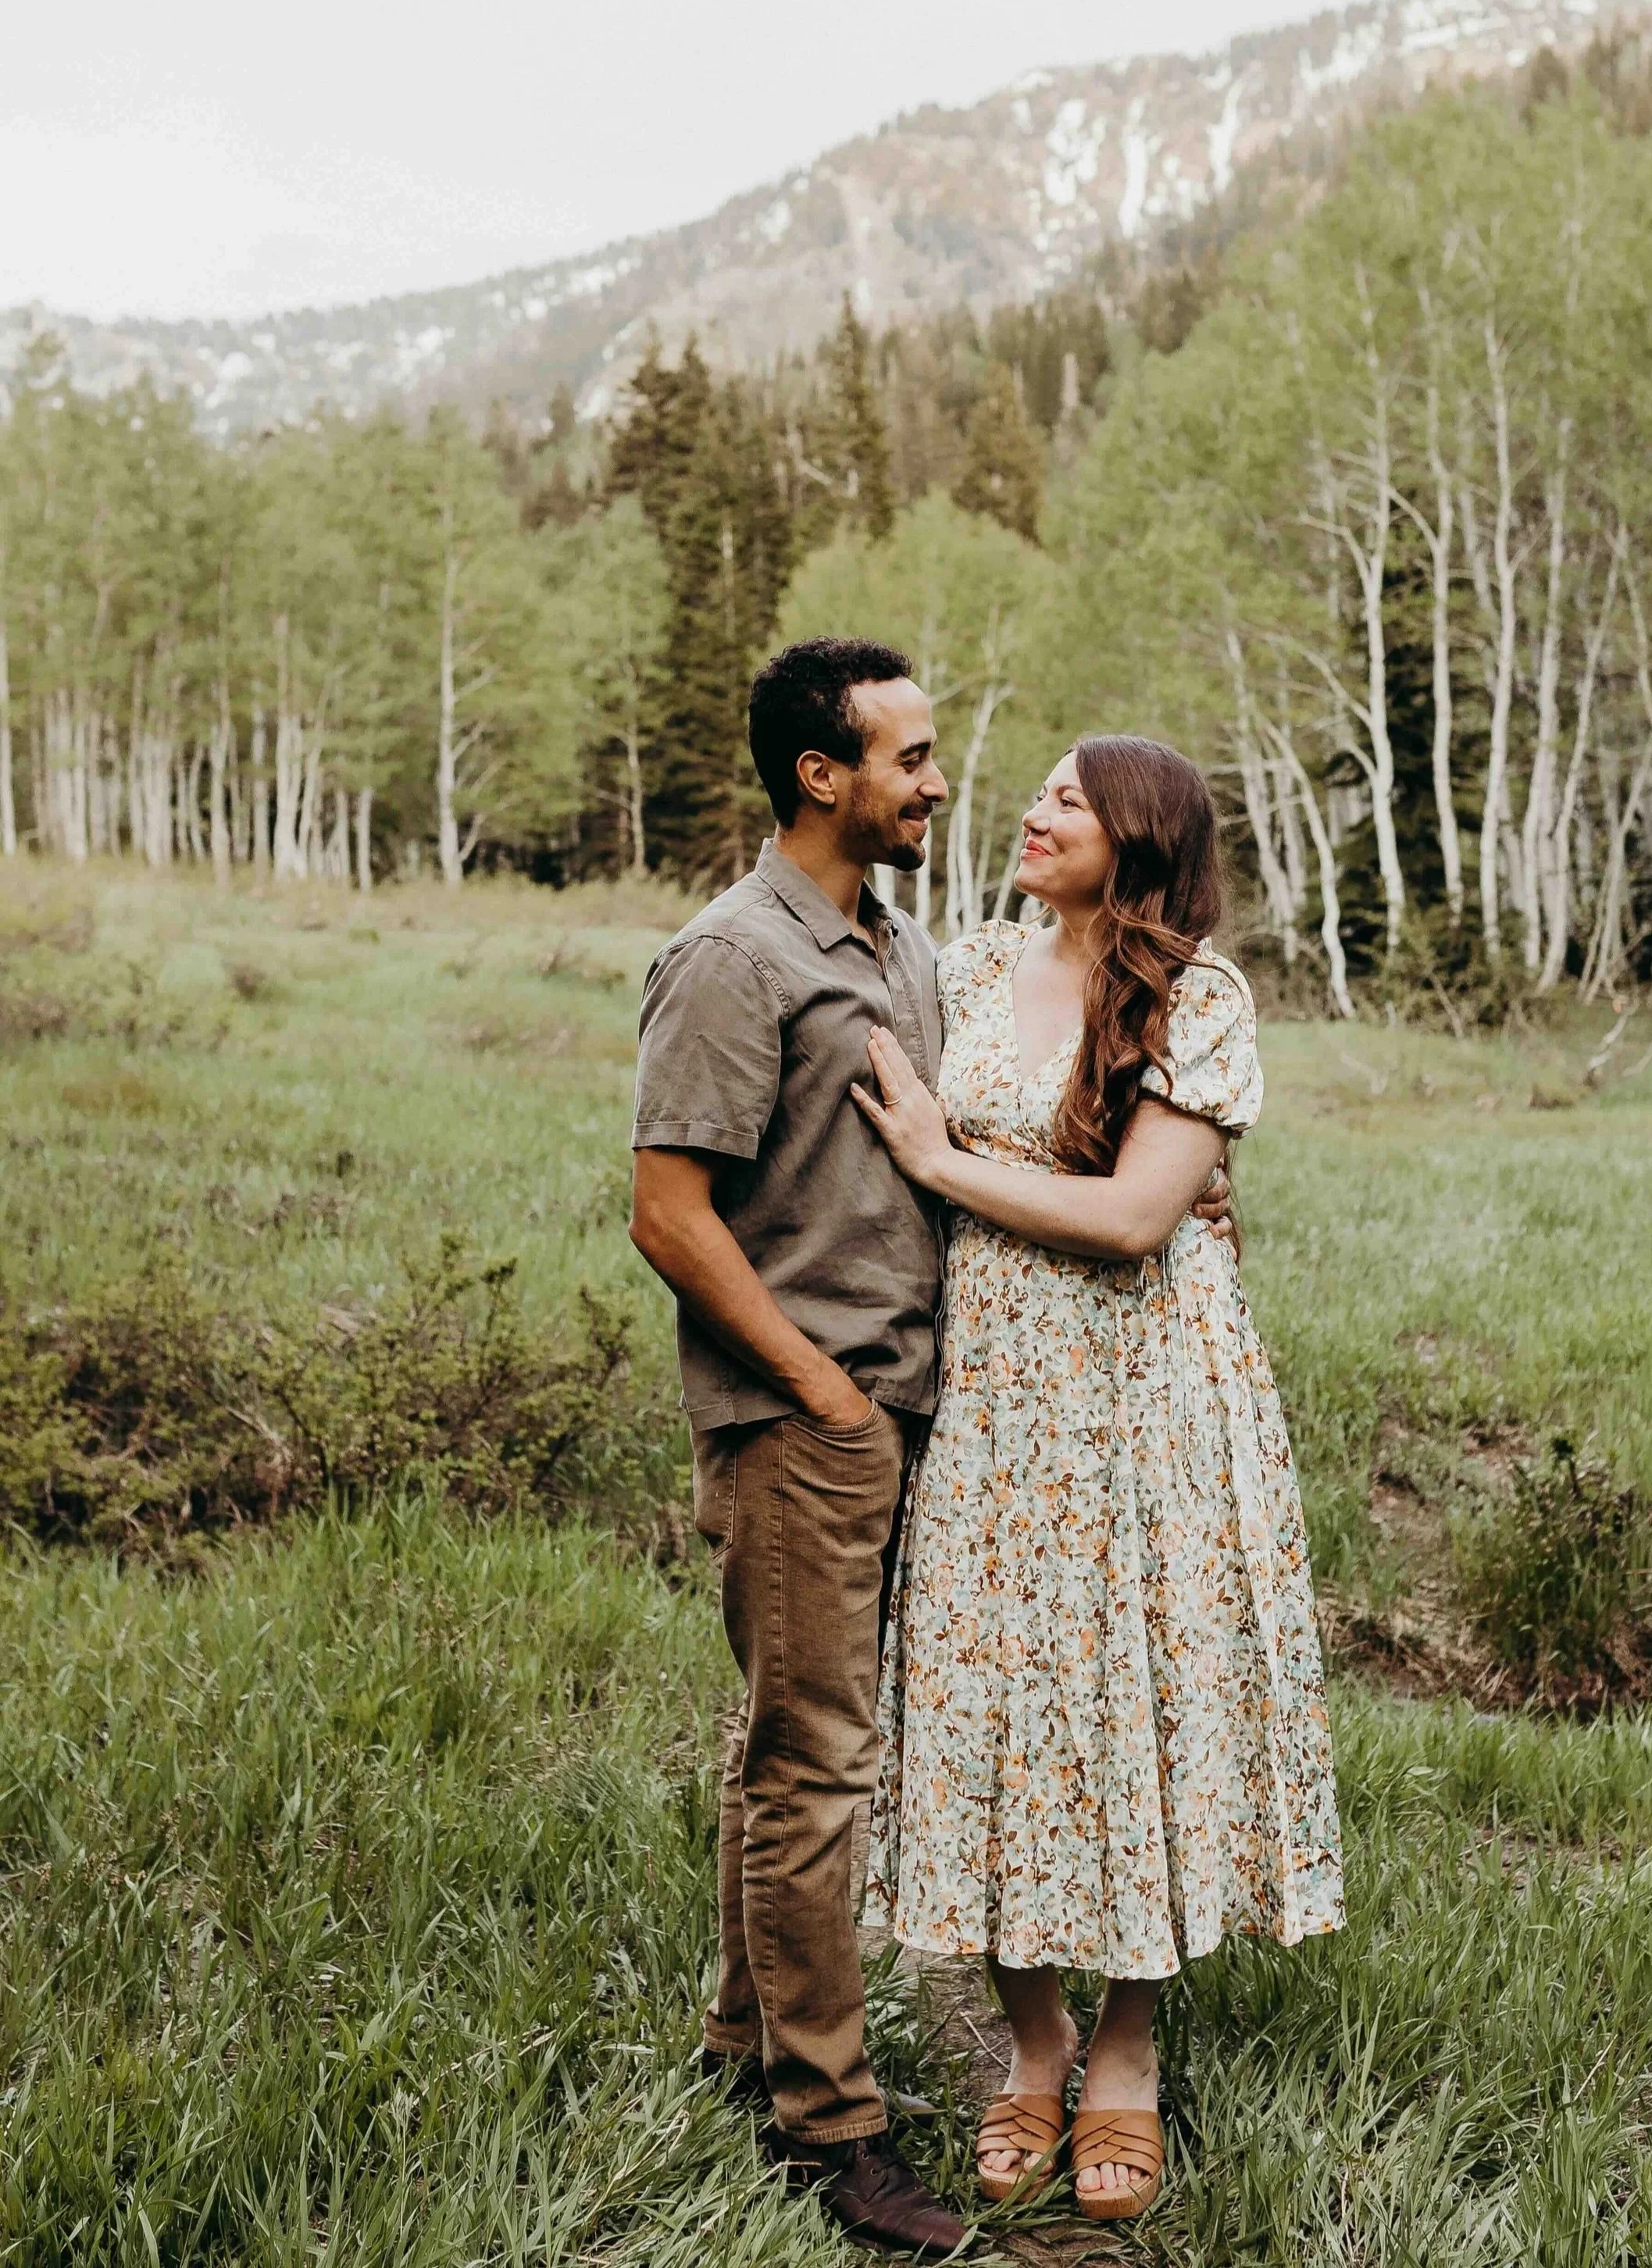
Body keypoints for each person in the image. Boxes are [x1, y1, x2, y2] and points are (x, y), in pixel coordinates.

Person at [855, 733, 1343, 2226]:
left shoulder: (1201, 997)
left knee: (1143, 1696)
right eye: (1041, 792)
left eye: (1067, 798)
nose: (1031, 811)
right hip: (995, 1402)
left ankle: (1124, 2054)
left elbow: (1138, 1215)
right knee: (994, 1699)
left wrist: (949, 1170)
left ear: (1135, 834)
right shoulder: (971, 962)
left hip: (1150, 1404)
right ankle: (1032, 2039)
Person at [626, 636, 969, 2257]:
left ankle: (736, 2041)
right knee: (814, 1766)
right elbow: (667, 1212)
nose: (936, 779)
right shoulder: (730, 953)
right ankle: (827, 2125)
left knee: (787, 1746)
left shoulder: (888, 943)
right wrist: (820, 1391)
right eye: (908, 754)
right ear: (820, 773)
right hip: (802, 1422)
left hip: (889, 1409)